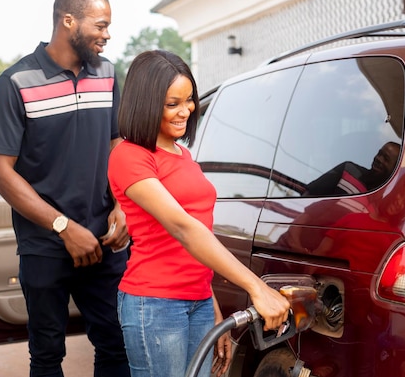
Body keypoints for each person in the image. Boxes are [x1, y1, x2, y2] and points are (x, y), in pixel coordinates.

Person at [108, 50, 291, 377]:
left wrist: (212, 305)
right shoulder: (129, 155)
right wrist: (257, 288)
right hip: (156, 304)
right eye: (172, 103)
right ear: (147, 104)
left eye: (189, 99)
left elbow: (195, 242)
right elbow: (183, 228)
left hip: (199, 302)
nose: (186, 110)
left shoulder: (183, 154)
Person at [0, 0, 130, 377]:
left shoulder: (109, 74)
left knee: (117, 343)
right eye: (100, 25)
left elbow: (117, 145)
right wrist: (63, 227)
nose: (107, 34)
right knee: (47, 355)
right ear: (69, 21)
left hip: (104, 241)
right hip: (46, 245)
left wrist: (121, 205)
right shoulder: (15, 82)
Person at [303, 141, 400, 197]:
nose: (379, 159)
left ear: (395, 169)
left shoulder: (384, 201)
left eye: (386, 159)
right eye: (379, 154)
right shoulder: (348, 170)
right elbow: (309, 194)